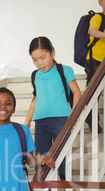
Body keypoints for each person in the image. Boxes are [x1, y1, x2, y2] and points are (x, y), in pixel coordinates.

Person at [24, 36, 81, 181]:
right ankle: (43, 190)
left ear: (52, 53)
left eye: (42, 57)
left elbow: (76, 92)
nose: (39, 63)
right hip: (41, 123)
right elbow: (36, 98)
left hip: (61, 121)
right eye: (34, 60)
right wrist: (27, 121)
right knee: (41, 158)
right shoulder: (35, 76)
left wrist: (73, 116)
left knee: (62, 155)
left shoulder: (64, 70)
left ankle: (65, 182)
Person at [85, 0, 105, 133]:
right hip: (95, 60)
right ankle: (91, 119)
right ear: (100, 2)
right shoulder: (97, 18)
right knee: (93, 92)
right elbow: (92, 31)